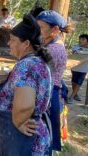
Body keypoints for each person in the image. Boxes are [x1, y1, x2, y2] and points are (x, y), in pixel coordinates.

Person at [0, 14, 53, 156]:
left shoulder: (25, 66)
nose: (8, 43)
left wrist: (19, 122)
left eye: (12, 40)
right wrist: (3, 87)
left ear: (26, 44)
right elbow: (25, 88)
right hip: (34, 132)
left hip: (22, 138)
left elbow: (25, 106)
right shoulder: (37, 61)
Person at [36, 10, 72, 153]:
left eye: (41, 27)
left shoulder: (54, 49)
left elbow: (36, 70)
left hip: (50, 95)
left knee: (44, 135)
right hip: (49, 90)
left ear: (55, 29)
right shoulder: (50, 42)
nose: (38, 31)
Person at [68, 34, 88, 104]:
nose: (80, 40)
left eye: (83, 39)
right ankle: (75, 94)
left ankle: (71, 97)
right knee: (73, 82)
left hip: (83, 69)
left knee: (79, 82)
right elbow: (75, 52)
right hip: (74, 68)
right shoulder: (75, 47)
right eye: (80, 39)